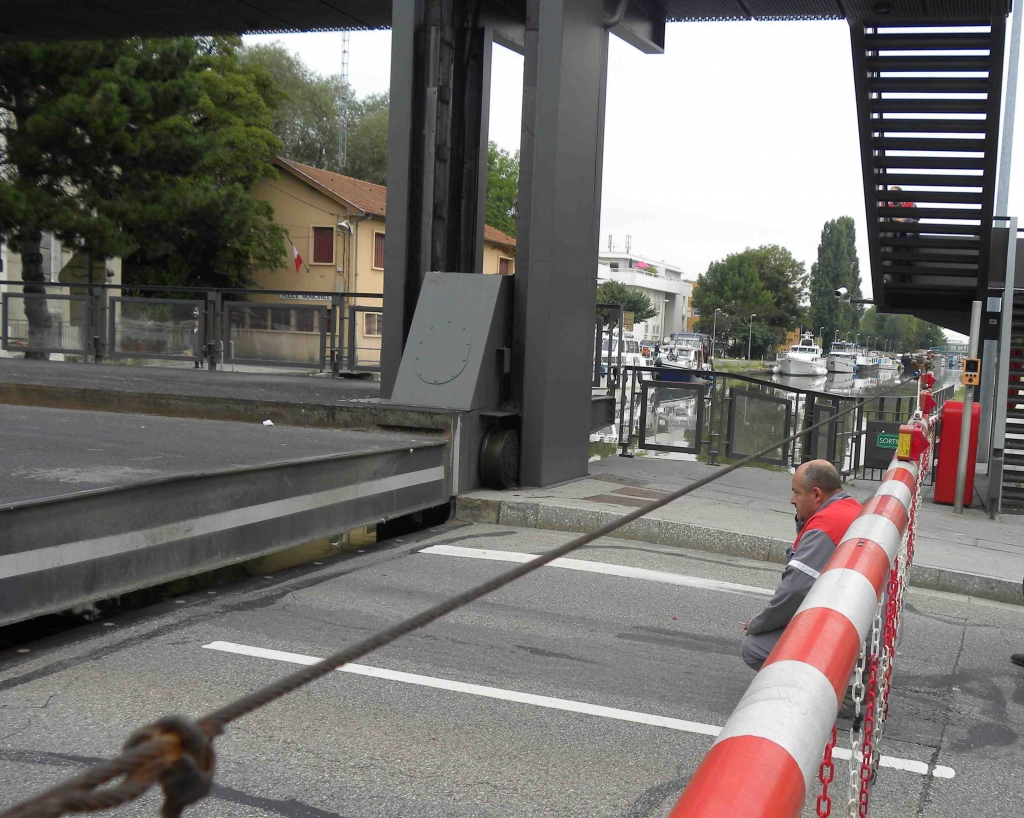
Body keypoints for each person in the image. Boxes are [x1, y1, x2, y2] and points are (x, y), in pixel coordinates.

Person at [741, 460, 862, 671]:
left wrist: (757, 625)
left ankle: (829, 689)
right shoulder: (849, 508)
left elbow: (794, 591)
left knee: (754, 647)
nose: (792, 500)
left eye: (796, 493)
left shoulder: (825, 525)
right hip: (861, 624)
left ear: (816, 495)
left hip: (850, 636)